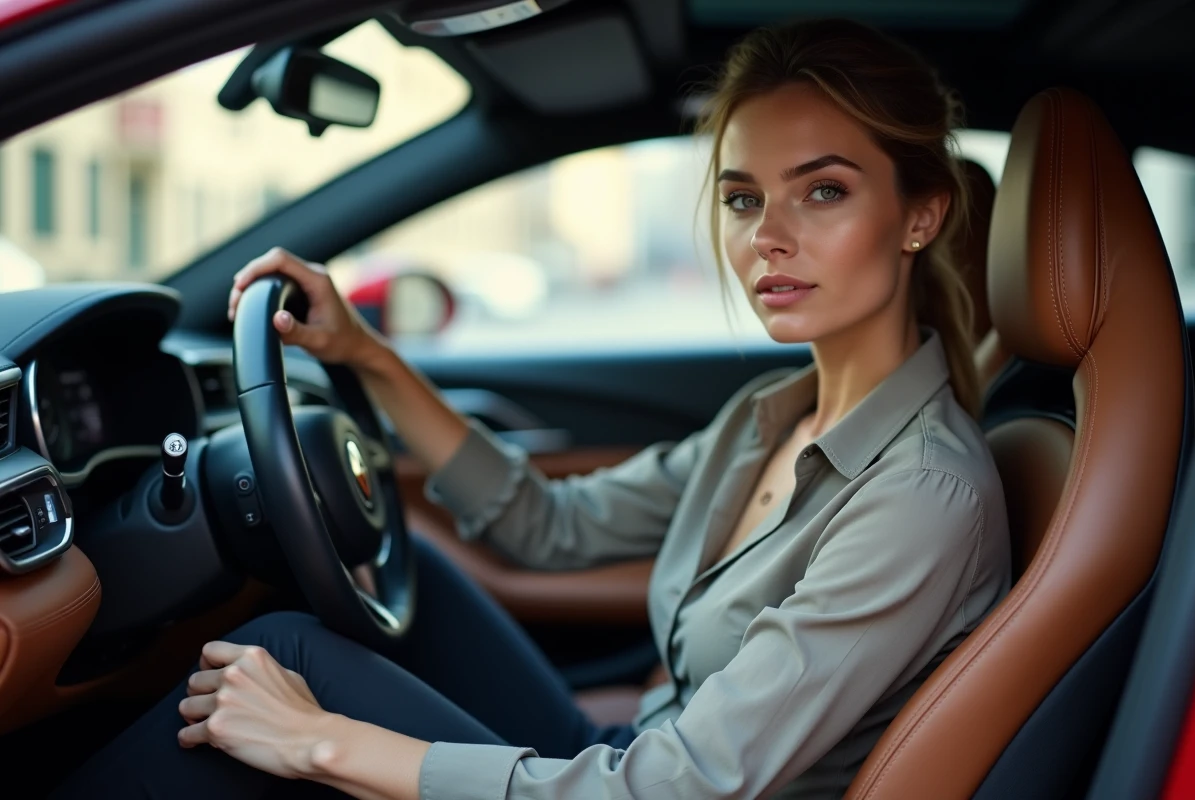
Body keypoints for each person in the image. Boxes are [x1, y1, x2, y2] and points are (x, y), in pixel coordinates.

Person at [55, 17, 1010, 800]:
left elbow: (675, 790)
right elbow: (547, 525)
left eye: (825, 192)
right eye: (742, 198)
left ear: (920, 216)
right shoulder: (770, 415)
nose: (769, 237)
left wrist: (319, 742)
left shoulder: (921, 497)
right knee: (403, 570)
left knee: (283, 653)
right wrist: (365, 355)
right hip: (641, 745)